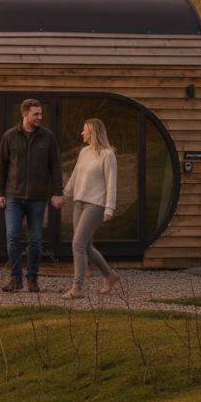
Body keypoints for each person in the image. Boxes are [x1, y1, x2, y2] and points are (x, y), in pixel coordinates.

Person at [0, 99, 63, 293]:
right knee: (13, 237)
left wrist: (57, 192)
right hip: (13, 196)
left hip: (38, 198)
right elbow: (1, 167)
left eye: (41, 114)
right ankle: (15, 279)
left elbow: (55, 167)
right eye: (36, 114)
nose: (40, 117)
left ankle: (32, 278)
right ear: (25, 114)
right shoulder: (9, 136)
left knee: (35, 239)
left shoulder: (47, 137)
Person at [61, 117, 121, 298]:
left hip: (95, 204)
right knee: (86, 246)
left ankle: (77, 288)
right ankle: (109, 275)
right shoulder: (84, 152)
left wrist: (109, 208)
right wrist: (64, 195)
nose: (82, 133)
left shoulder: (108, 155)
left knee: (77, 244)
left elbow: (111, 183)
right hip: (79, 203)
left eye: (84, 130)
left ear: (93, 132)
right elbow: (75, 176)